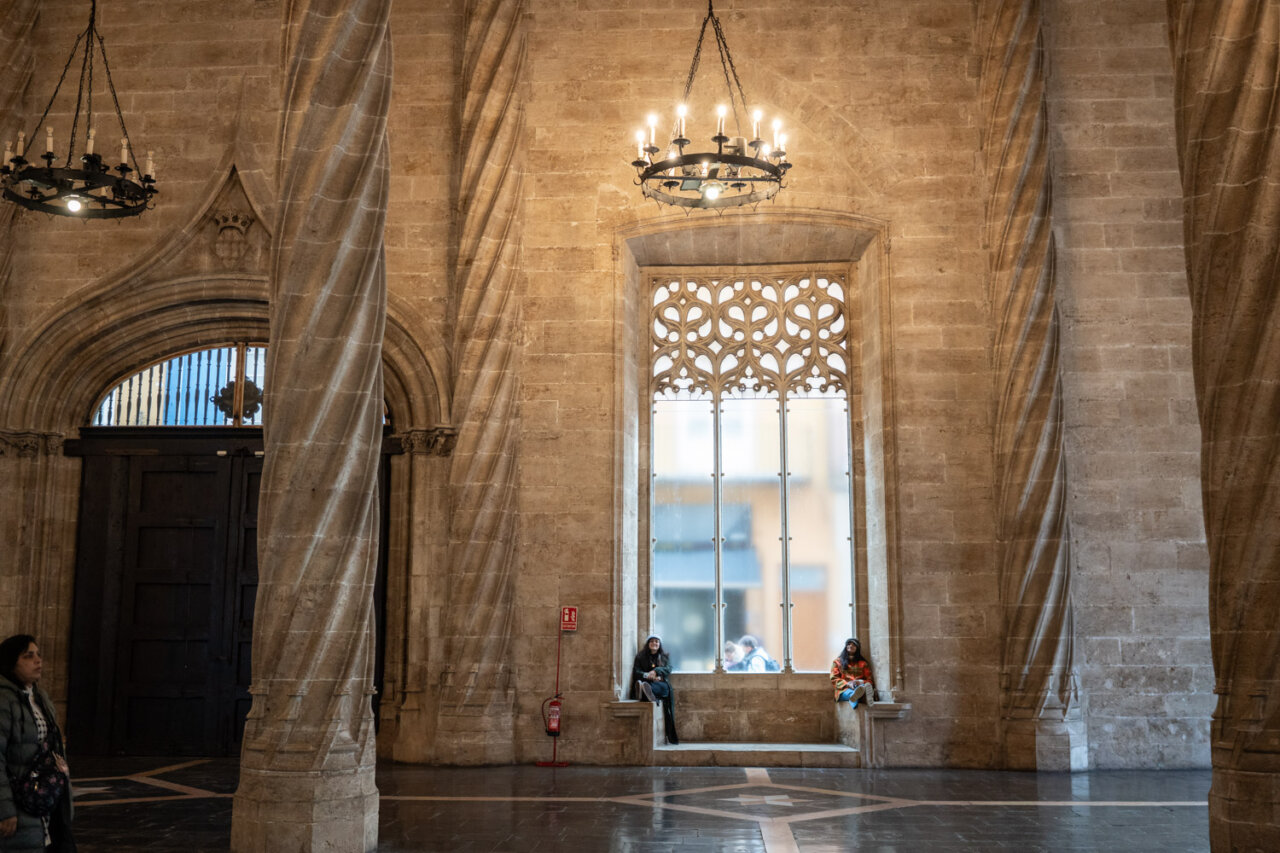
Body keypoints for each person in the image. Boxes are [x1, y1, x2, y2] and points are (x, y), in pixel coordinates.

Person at [0, 635, 74, 852]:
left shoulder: (40, 697)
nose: (38, 660)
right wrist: (4, 810)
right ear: (10, 662)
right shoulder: (4, 700)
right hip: (17, 801)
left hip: (44, 800)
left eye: (38, 654)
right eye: (28, 656)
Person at [629, 635, 679, 744]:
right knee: (647, 685)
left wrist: (656, 671)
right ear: (648, 644)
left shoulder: (665, 656)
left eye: (656, 641)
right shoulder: (640, 656)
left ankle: (644, 691)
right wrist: (648, 675)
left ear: (659, 644)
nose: (654, 643)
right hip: (647, 681)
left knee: (660, 688)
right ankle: (644, 690)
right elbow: (636, 671)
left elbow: (668, 668)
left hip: (661, 684)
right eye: (651, 641)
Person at [830, 637, 875, 707]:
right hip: (844, 689)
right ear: (846, 647)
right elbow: (834, 678)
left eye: (854, 645)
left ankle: (862, 695)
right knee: (852, 694)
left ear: (857, 648)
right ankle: (863, 698)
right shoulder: (837, 662)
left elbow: (870, 680)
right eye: (849, 644)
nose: (851, 646)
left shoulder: (863, 663)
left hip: (859, 686)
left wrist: (859, 682)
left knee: (861, 688)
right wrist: (847, 684)